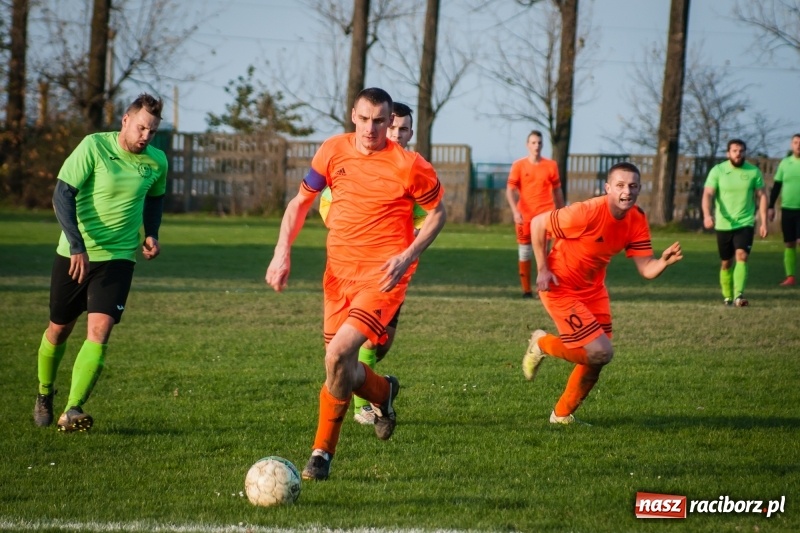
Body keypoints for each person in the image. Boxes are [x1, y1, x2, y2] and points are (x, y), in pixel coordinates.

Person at [266, 87, 446, 480]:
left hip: (383, 277)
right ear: (353, 115)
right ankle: (383, 394)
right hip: (337, 276)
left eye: (379, 121)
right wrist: (283, 251)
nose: (371, 128)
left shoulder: (409, 165)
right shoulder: (332, 151)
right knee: (340, 368)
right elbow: (300, 202)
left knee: (338, 356)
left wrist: (407, 255)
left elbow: (437, 214)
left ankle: (321, 453)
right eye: (364, 119)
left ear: (389, 121)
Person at [33, 93, 168, 432]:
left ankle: (72, 409)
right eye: (141, 128)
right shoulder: (93, 147)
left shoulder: (157, 162)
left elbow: (155, 200)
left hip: (119, 258)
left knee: (100, 330)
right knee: (59, 329)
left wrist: (151, 233)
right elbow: (62, 194)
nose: (145, 137)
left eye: (152, 132)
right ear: (125, 120)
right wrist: (77, 245)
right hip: (75, 254)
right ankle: (44, 393)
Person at [522, 162, 683, 424]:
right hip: (559, 286)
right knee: (602, 352)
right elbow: (538, 224)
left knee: (596, 359)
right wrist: (542, 269)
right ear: (608, 187)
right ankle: (542, 343)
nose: (626, 191)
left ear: (640, 189)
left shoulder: (637, 219)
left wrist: (663, 262)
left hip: (593, 290)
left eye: (632, 186)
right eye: (620, 185)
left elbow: (646, 269)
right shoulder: (586, 213)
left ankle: (562, 416)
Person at [702, 139, 768, 307]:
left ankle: (739, 295)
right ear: (728, 153)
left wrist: (763, 222)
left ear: (745, 153)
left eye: (741, 151)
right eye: (734, 150)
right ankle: (727, 296)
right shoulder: (718, 171)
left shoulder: (753, 172)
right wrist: (707, 215)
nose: (738, 154)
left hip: (745, 222)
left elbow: (762, 196)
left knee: (742, 256)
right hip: (724, 224)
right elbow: (708, 194)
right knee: (726, 262)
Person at [505, 130, 565, 298]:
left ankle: (543, 289)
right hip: (525, 216)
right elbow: (509, 191)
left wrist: (562, 212)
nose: (536, 146)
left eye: (539, 143)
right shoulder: (519, 165)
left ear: (542, 145)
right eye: (533, 142)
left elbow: (557, 191)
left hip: (546, 216)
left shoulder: (551, 165)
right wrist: (515, 211)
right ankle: (526, 290)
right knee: (525, 252)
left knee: (545, 253)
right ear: (527, 145)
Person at [767, 133, 800, 286]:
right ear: (791, 145)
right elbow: (777, 186)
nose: (798, 145)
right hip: (787, 209)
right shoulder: (785, 163)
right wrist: (771, 206)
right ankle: (790, 277)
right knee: (789, 243)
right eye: (795, 142)